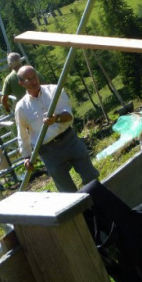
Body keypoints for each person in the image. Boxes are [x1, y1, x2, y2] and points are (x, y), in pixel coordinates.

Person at [14, 65, 99, 193]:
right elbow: (22, 134)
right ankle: (83, 212)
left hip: (70, 140)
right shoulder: (21, 108)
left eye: (34, 77)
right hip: (48, 151)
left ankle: (100, 203)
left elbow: (69, 116)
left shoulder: (54, 90)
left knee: (91, 178)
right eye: (28, 79)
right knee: (67, 192)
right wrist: (26, 156)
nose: (34, 81)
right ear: (21, 83)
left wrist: (57, 118)